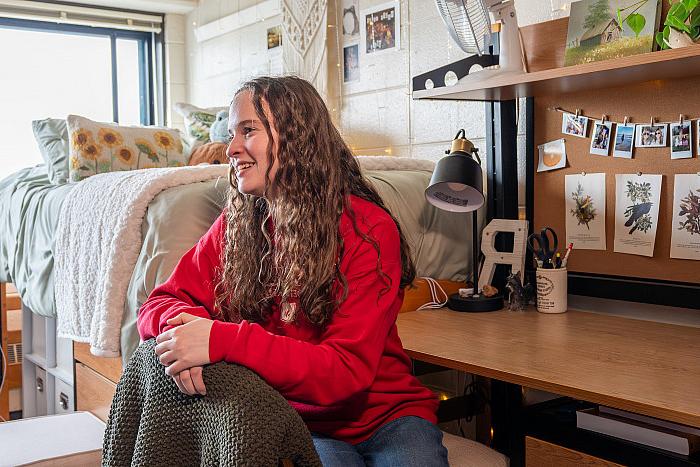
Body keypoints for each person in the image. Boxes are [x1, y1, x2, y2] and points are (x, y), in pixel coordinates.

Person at [137, 76, 448, 466]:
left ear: (296, 136)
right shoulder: (238, 228)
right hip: (301, 422)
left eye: (248, 131)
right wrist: (191, 334)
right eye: (232, 134)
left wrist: (220, 340)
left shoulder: (368, 230)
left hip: (388, 420)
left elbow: (345, 372)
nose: (231, 149)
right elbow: (159, 302)